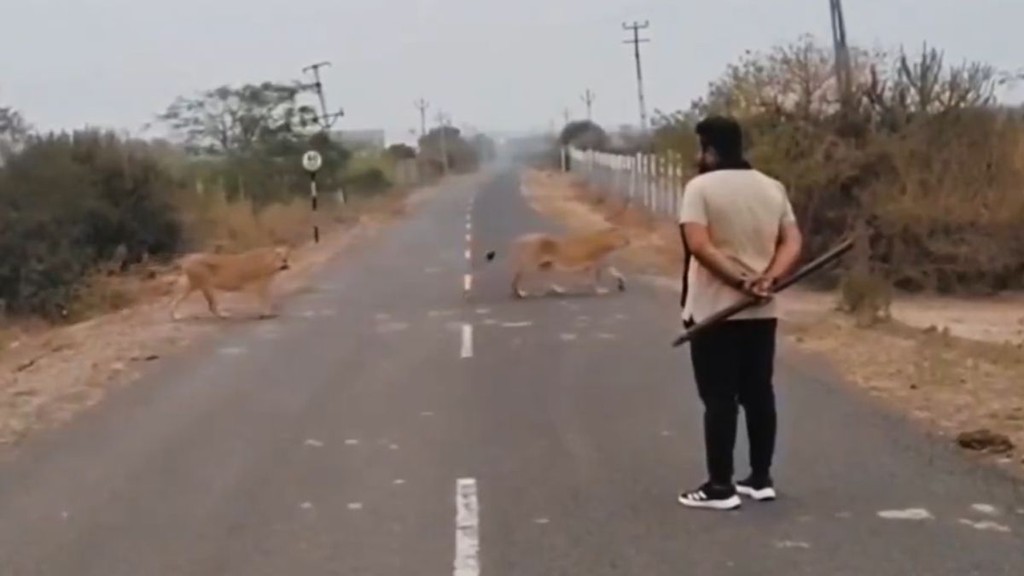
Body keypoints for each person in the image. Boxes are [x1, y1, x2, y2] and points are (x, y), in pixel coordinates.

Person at [676, 115, 803, 511]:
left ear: (710, 149)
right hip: (761, 312)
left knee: (719, 398)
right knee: (758, 392)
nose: (699, 156)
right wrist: (769, 279)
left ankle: (720, 486)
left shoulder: (699, 188)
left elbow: (699, 245)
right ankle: (760, 478)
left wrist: (740, 281)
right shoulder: (772, 187)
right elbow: (792, 241)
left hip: (714, 311)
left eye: (701, 148)